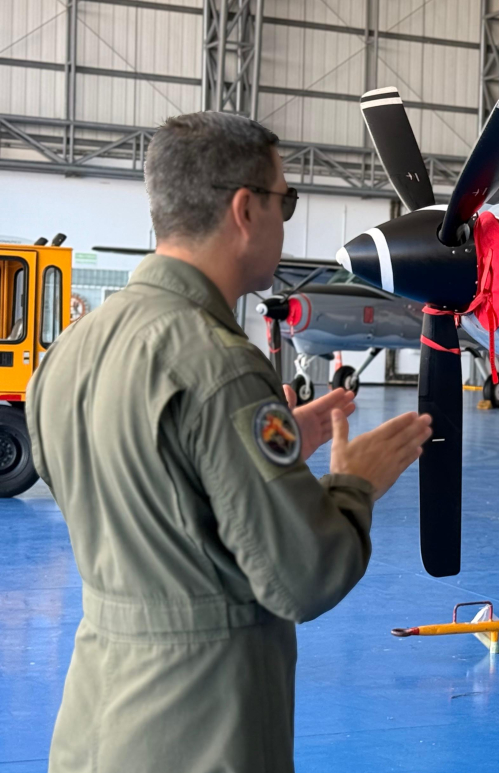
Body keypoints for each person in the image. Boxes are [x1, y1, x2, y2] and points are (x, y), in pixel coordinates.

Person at [26, 112, 434, 773]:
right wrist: (353, 482)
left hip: (94, 722)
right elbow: (304, 576)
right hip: (199, 727)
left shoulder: (70, 352)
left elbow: (141, 493)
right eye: (286, 200)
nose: (285, 217)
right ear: (245, 209)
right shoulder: (221, 366)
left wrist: (252, 456)